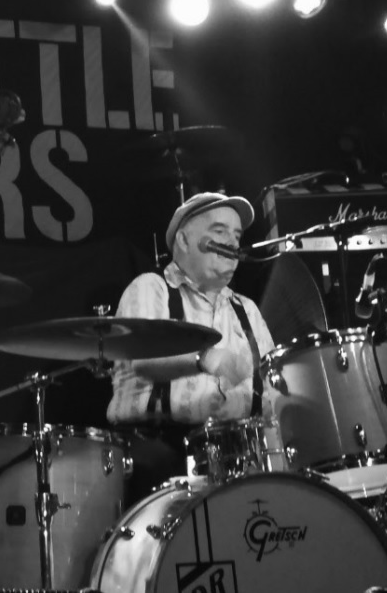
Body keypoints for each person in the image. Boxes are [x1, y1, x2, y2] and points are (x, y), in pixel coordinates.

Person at [106, 192, 276, 501]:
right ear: (184, 240)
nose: (233, 243)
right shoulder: (151, 288)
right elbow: (144, 360)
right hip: (158, 454)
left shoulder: (247, 309)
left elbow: (274, 390)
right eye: (220, 231)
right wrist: (205, 359)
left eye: (237, 235)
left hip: (239, 455)